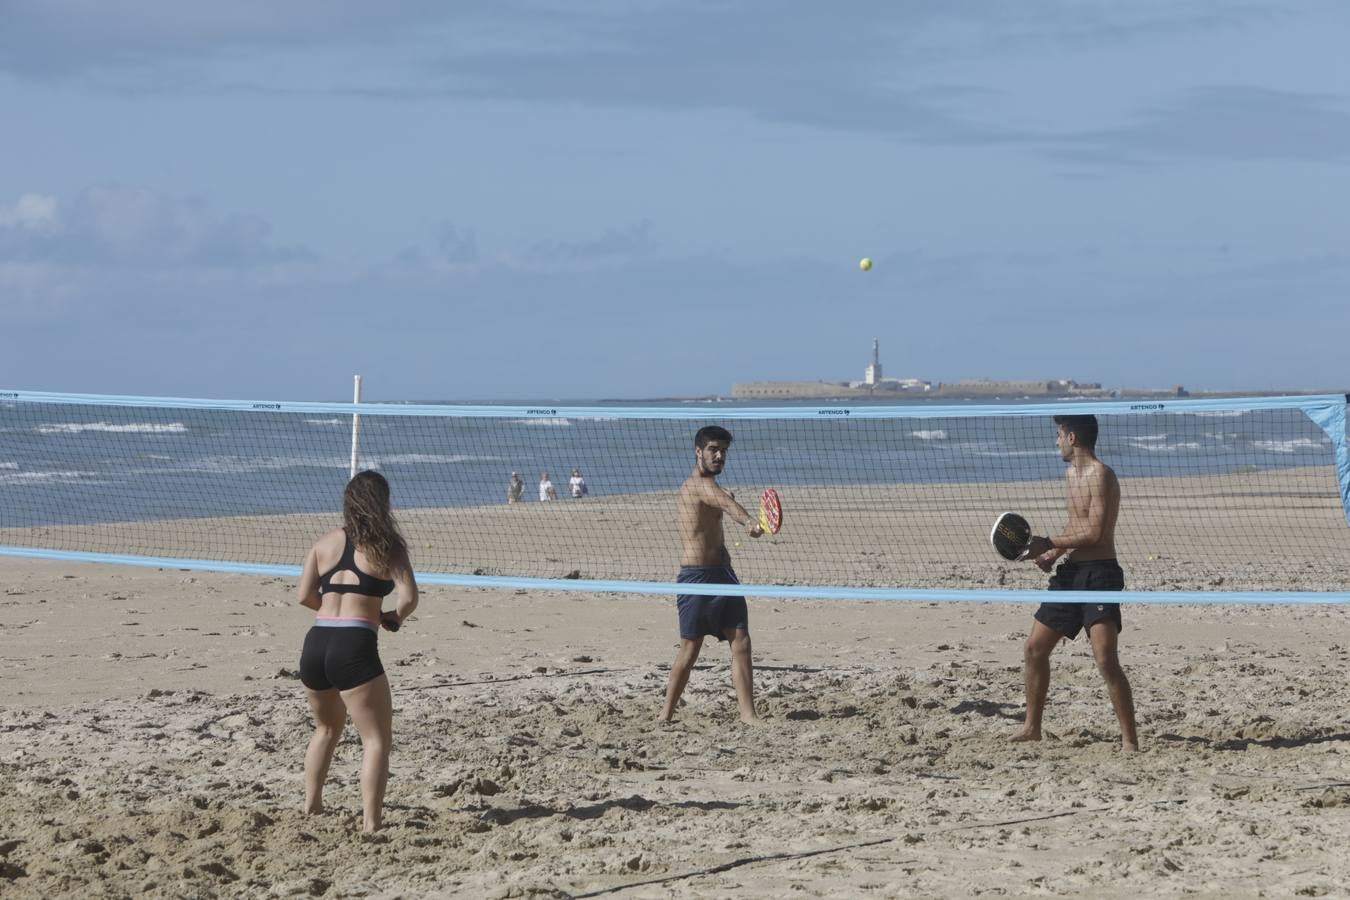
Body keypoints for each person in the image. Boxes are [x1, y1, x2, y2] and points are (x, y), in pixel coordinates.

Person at [296, 470, 419, 831]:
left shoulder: (325, 543)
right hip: (354, 644)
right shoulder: (388, 545)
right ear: (382, 504)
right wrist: (391, 617)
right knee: (376, 739)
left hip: (316, 643)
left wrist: (337, 608)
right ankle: (371, 823)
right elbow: (409, 598)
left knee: (325, 730)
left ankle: (312, 805)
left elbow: (304, 596)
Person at [1011, 415, 1139, 752]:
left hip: (1100, 575)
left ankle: (1129, 740)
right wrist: (1053, 552)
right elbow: (1076, 526)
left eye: (1057, 435)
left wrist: (1047, 540)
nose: (1055, 442)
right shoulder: (1071, 476)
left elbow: (1095, 533)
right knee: (1034, 649)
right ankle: (1032, 727)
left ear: (1072, 437)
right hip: (1071, 574)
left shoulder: (1101, 475)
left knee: (1105, 659)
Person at [659, 425, 763, 725]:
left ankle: (748, 715)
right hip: (697, 578)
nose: (719, 456)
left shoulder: (712, 488)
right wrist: (749, 523)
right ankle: (665, 715)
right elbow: (727, 504)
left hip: (724, 575)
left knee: (741, 640)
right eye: (713, 450)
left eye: (724, 451)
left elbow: (719, 501)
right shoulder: (698, 485)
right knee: (690, 648)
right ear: (698, 452)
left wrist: (724, 502)